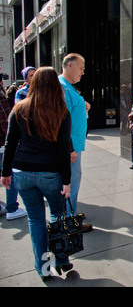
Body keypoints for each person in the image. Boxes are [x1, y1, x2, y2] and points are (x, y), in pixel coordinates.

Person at [1, 67, 73, 281]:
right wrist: (67, 181)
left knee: (35, 220)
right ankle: (61, 259)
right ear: (55, 85)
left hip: (22, 173)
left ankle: (42, 268)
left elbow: (10, 142)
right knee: (56, 216)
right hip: (50, 173)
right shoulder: (61, 110)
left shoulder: (19, 108)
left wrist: (5, 172)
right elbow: (63, 148)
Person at [59, 53, 93, 233]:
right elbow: (60, 121)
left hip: (72, 146)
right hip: (69, 148)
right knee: (70, 181)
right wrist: (69, 148)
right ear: (70, 65)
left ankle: (69, 215)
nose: (82, 72)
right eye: (81, 68)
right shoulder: (62, 88)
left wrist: (82, 105)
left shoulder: (68, 87)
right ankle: (69, 221)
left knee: (72, 180)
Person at [0, 74, 27, 221]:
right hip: (3, 146)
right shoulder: (2, 100)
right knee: (10, 175)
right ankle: (11, 208)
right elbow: (6, 126)